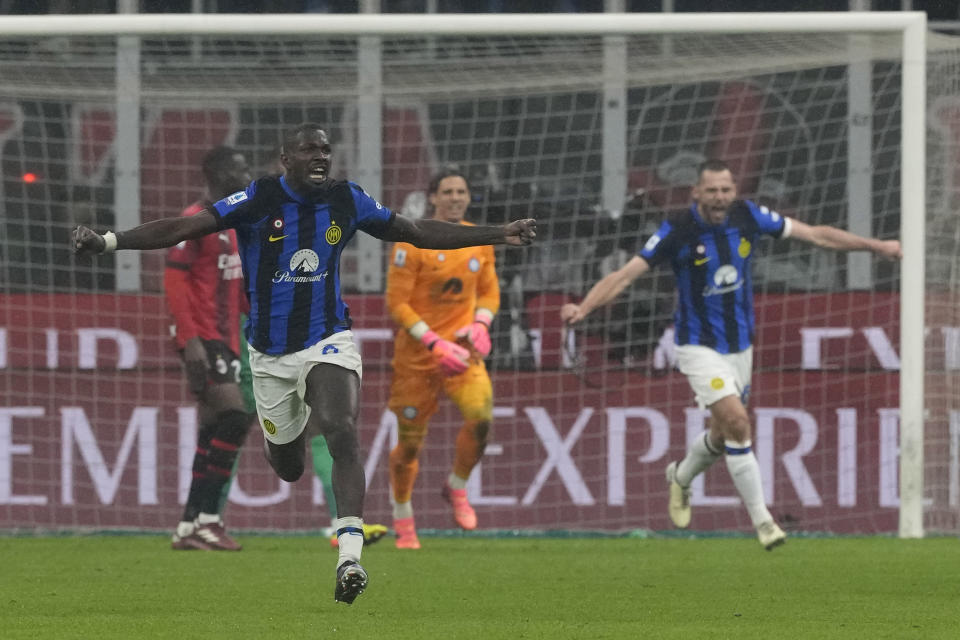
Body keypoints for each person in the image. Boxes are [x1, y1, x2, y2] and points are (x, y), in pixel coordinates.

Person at [72, 123, 537, 605]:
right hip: (270, 353)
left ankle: (349, 558)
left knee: (341, 426)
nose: (320, 156)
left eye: (326, 149)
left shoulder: (347, 199)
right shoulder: (259, 198)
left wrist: (499, 233)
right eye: (308, 149)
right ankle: (286, 439)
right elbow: (182, 228)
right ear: (285, 158)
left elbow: (416, 231)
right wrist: (109, 241)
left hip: (328, 337)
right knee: (289, 465)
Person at [560, 159, 901, 550]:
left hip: (741, 348)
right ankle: (765, 523)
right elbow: (624, 275)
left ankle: (681, 476)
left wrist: (877, 247)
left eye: (726, 190)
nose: (720, 197)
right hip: (696, 346)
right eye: (712, 190)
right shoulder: (678, 230)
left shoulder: (749, 216)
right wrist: (583, 309)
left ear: (734, 192)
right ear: (696, 193)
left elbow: (816, 236)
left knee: (723, 435)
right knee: (739, 423)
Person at [384, 167, 499, 550]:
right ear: (433, 197)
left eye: (461, 191)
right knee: (411, 447)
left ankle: (457, 487)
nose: (455, 197)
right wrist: (434, 343)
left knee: (481, 419)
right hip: (418, 359)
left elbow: (488, 293)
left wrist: (481, 324)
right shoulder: (409, 243)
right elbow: (396, 303)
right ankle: (403, 518)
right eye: (447, 191)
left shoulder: (479, 241)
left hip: (463, 353)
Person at [165, 146, 254, 552]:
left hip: (228, 338)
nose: (246, 173)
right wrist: (190, 342)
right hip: (204, 338)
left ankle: (187, 526)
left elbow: (237, 286)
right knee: (236, 415)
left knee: (210, 430)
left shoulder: (233, 222)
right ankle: (208, 519)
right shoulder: (195, 221)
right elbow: (175, 282)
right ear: (217, 173)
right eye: (239, 168)